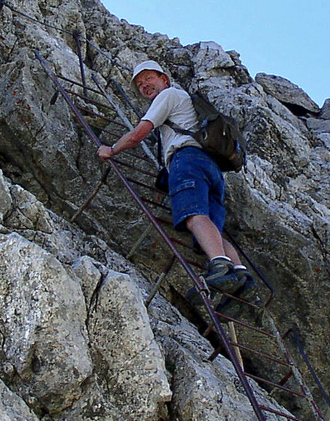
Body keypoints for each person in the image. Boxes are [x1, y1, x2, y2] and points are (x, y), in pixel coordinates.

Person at [98, 60, 255, 297]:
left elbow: (138, 134)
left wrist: (110, 149)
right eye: (140, 84)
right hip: (212, 169)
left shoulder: (169, 95)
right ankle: (242, 276)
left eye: (149, 78)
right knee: (213, 227)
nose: (144, 86)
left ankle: (220, 267)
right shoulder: (185, 102)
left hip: (187, 160)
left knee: (193, 215)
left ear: (164, 79)